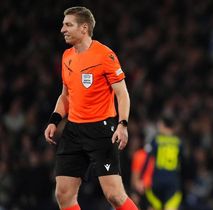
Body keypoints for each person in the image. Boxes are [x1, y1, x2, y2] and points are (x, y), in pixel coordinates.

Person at [44, 6, 138, 210]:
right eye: (63, 24)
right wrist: (54, 120)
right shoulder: (67, 56)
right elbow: (65, 95)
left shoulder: (105, 55)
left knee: (114, 195)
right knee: (63, 194)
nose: (62, 29)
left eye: (68, 25)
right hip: (74, 131)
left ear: (84, 28)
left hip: (101, 130)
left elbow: (122, 94)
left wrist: (122, 124)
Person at [142, 115, 183, 210]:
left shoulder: (156, 140)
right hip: (173, 182)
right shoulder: (179, 142)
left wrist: (142, 176)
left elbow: (147, 160)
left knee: (154, 206)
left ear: (163, 125)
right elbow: (184, 162)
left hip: (157, 180)